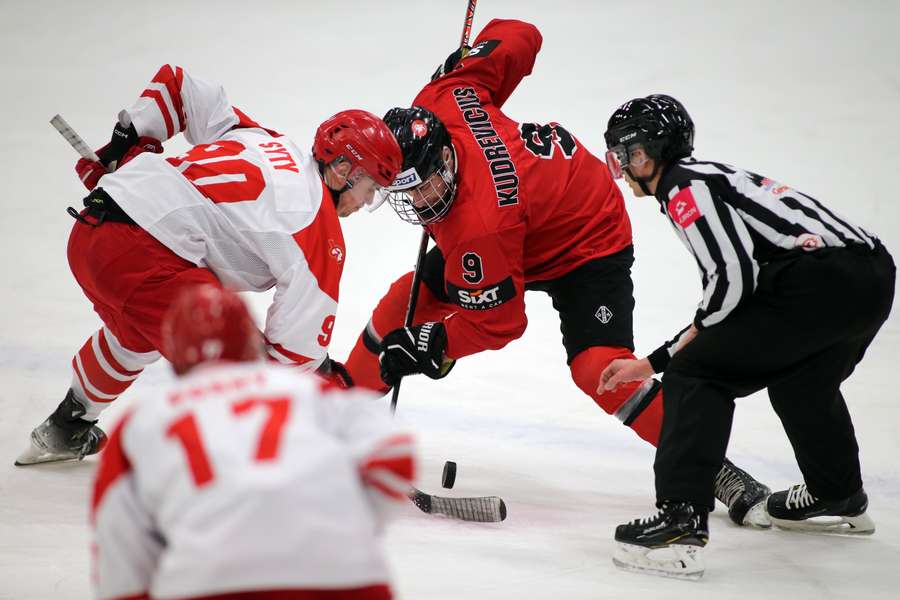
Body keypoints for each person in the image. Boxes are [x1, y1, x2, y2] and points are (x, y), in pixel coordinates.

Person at [341, 19, 768, 527]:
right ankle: (334, 421)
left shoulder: (479, 224)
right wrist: (469, 61)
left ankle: (716, 469)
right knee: (403, 301)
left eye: (427, 185)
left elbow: (501, 322)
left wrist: (436, 345)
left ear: (446, 161)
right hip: (524, 219)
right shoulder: (444, 96)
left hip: (585, 241)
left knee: (599, 370)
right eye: (406, 191)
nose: (419, 201)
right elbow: (522, 34)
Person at [15, 64, 402, 466]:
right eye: (370, 188)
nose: (365, 202)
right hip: (141, 255)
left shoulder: (267, 141)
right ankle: (216, 486)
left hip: (92, 233)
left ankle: (65, 428)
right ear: (342, 170)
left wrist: (128, 141)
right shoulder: (317, 226)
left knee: (136, 334)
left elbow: (181, 88)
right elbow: (293, 357)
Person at [601, 94, 895, 579]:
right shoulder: (707, 176)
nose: (623, 168)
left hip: (818, 283)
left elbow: (731, 282)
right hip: (871, 278)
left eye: (626, 155)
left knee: (697, 373)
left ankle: (681, 519)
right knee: (802, 381)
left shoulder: (681, 187)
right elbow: (744, 285)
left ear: (649, 152)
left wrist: (661, 361)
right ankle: (837, 492)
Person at [91, 285, 414, 600]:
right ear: (251, 342)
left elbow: (119, 547)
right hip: (342, 575)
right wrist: (352, 526)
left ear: (174, 355)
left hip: (208, 580)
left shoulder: (145, 419)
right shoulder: (304, 390)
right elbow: (393, 454)